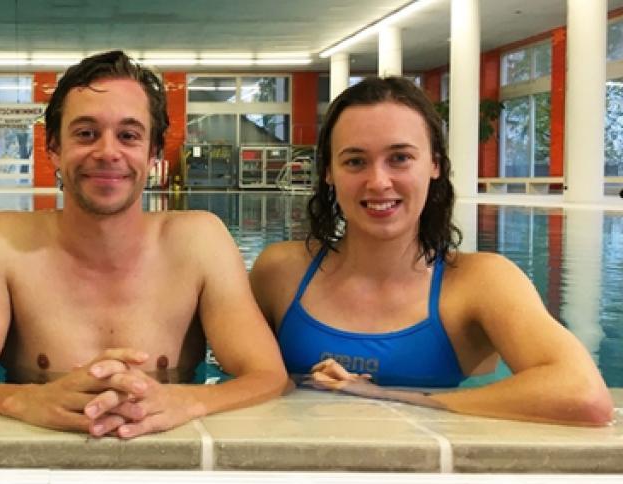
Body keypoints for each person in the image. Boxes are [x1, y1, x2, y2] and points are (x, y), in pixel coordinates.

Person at [0, 50, 287, 438]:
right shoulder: (5, 243)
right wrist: (23, 400)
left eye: (128, 135)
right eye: (85, 133)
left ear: (152, 154)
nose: (107, 152)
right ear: (54, 148)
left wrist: (189, 401)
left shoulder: (199, 243)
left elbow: (268, 374)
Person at [250, 76, 613, 426]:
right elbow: (236, 378)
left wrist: (386, 396)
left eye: (400, 158)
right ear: (329, 172)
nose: (378, 182)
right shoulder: (280, 272)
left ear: (435, 164)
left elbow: (584, 395)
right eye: (355, 161)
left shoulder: (480, 283)